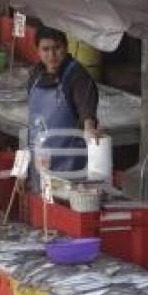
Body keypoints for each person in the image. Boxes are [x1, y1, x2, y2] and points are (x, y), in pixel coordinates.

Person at [27, 26, 100, 188]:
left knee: (62, 209)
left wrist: (89, 127)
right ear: (37, 51)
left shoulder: (77, 76)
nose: (51, 55)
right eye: (45, 49)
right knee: (40, 206)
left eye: (57, 48)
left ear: (66, 47)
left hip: (69, 164)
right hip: (40, 160)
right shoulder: (35, 75)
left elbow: (87, 111)